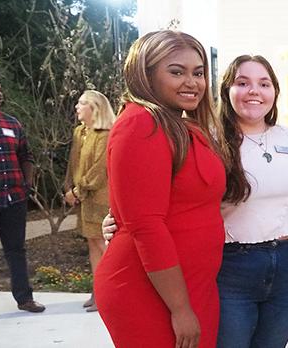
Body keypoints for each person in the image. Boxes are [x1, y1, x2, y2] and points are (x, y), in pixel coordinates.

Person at [95, 30, 230, 348]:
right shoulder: (141, 124)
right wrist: (181, 309)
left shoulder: (179, 125)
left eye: (198, 73)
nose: (192, 82)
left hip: (190, 285)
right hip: (152, 291)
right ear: (146, 74)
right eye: (176, 71)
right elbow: (146, 225)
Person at [214, 55, 288, 347]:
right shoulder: (211, 139)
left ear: (275, 92)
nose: (254, 90)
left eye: (263, 83)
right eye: (243, 83)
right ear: (227, 91)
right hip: (232, 268)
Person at [0, 71, 45, 313]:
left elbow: (26, 155)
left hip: (14, 199)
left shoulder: (11, 123)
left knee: (16, 249)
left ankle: (24, 299)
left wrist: (27, 183)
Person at [64, 90, 116, 312]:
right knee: (93, 245)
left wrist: (77, 191)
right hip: (84, 199)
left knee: (106, 247)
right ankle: (98, 292)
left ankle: (113, 294)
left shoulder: (105, 134)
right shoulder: (79, 132)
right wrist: (68, 187)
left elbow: (99, 171)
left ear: (95, 108)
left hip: (100, 198)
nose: (77, 106)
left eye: (82, 103)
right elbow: (73, 163)